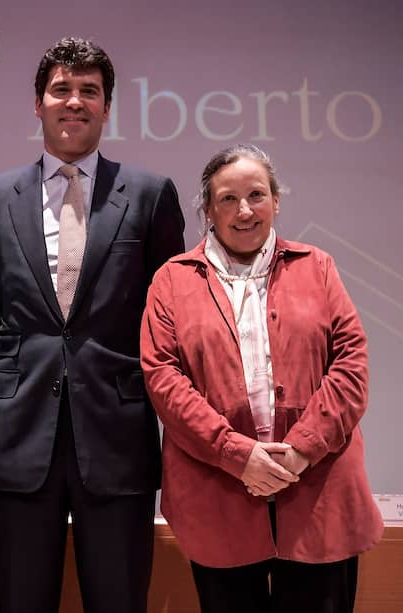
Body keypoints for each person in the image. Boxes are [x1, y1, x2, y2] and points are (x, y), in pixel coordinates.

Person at [0, 37, 185, 613]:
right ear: (37, 103)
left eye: (90, 91)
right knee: (20, 599)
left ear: (107, 107)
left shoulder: (149, 193)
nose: (75, 102)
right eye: (61, 89)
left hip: (117, 430)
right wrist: (22, 373)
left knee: (118, 599)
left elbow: (169, 312)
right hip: (21, 430)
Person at [140, 144, 383, 613]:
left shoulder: (318, 266)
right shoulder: (171, 280)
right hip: (218, 493)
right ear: (207, 209)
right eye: (227, 198)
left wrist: (300, 451)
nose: (244, 210)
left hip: (317, 488)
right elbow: (164, 379)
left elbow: (351, 363)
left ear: (276, 200)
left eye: (256, 194)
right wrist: (237, 454)